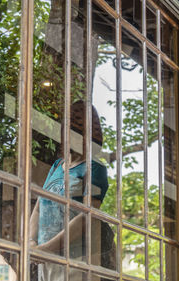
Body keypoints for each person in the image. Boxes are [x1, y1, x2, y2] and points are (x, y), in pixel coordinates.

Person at [29, 101, 115, 280]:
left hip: (75, 260)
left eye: (78, 132)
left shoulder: (94, 168)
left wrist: (47, 248)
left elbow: (85, 217)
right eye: (68, 130)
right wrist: (32, 243)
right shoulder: (56, 166)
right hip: (45, 261)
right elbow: (39, 207)